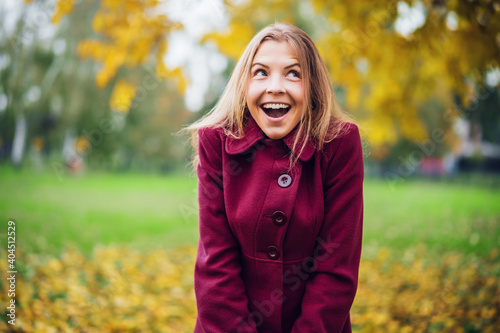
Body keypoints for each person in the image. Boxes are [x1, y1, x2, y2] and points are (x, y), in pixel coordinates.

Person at [185, 22, 364, 333]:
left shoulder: (339, 144)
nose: (276, 86)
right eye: (261, 72)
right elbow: (215, 266)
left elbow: (336, 269)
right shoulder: (217, 142)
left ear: (313, 87)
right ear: (244, 83)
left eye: (293, 73)